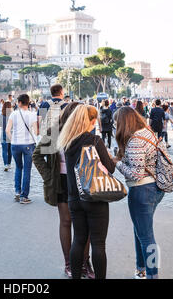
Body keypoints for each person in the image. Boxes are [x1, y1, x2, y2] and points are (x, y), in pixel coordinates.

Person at [33, 102, 94, 279]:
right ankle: (69, 262)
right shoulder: (55, 131)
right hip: (62, 182)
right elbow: (37, 156)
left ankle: (85, 261)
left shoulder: (85, 131)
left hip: (84, 181)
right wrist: (49, 177)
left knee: (86, 224)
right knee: (66, 221)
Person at [58, 105, 116, 279]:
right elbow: (110, 168)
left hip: (74, 198)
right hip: (94, 197)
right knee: (98, 244)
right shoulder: (95, 141)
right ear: (91, 121)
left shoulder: (67, 142)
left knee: (78, 240)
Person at [114, 106, 164, 279]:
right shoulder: (147, 132)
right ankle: (141, 268)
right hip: (154, 188)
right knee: (141, 231)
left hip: (142, 189)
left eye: (116, 123)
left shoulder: (135, 140)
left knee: (146, 236)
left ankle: (152, 274)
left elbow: (136, 173)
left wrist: (117, 162)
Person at [6, 94, 37, 204]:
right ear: (28, 103)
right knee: (27, 170)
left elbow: (7, 130)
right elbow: (37, 132)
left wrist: (13, 139)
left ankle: (17, 192)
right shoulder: (32, 114)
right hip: (28, 144)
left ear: (19, 103)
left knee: (18, 167)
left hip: (15, 145)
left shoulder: (13, 114)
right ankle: (24, 196)